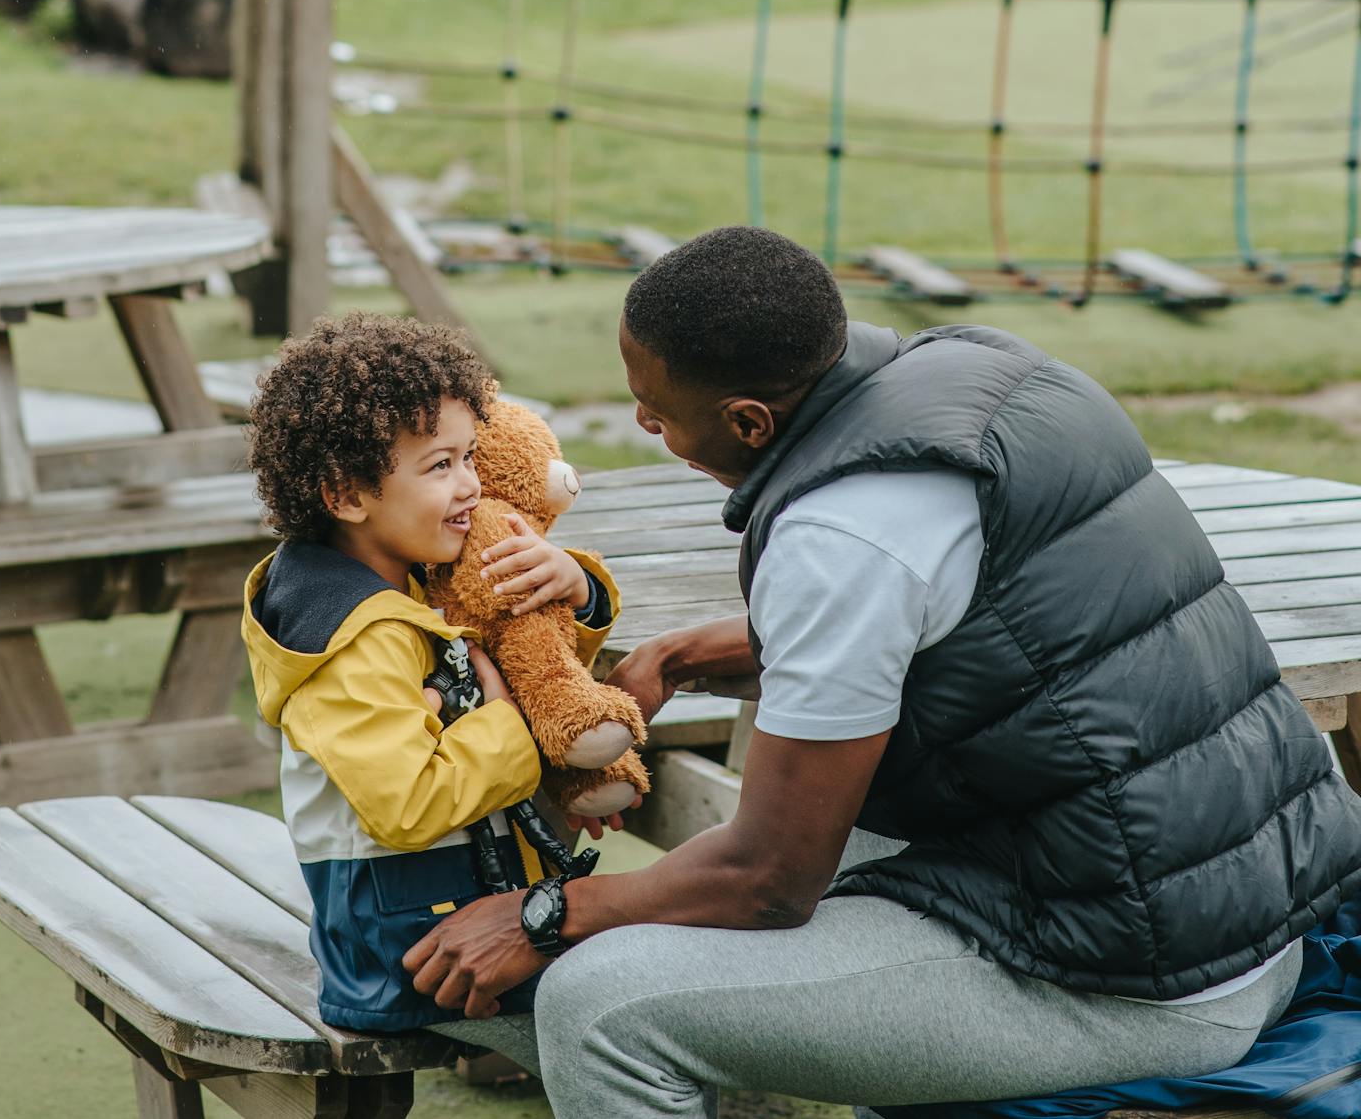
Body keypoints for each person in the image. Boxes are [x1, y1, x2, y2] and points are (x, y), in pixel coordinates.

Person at [404, 225, 1361, 1119]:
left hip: (1156, 980)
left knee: (600, 1004)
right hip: (1240, 886)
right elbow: (939, 611)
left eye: (656, 412)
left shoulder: (839, 535)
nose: (643, 417)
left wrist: (543, 913)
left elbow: (771, 879)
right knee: (776, 835)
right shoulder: (987, 370)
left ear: (747, 420)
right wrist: (680, 654)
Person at [240, 316, 623, 1038]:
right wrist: (515, 727)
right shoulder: (354, 637)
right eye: (440, 465)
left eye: (471, 456)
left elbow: (530, 651)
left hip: (442, 910)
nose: (473, 486)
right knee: (643, 985)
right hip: (408, 954)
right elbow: (408, 802)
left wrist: (576, 587)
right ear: (347, 494)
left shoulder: (413, 575)